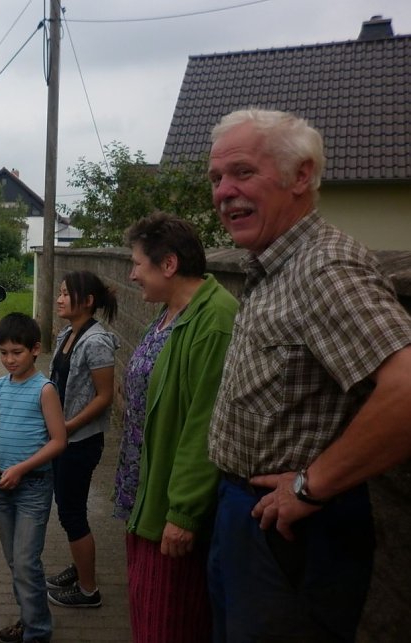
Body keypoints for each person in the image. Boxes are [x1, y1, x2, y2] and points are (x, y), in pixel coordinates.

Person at [206, 108, 411, 642]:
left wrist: (309, 486)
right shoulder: (274, 264)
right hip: (248, 518)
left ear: (301, 175)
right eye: (217, 178)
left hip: (293, 532)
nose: (224, 192)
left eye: (243, 172)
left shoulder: (324, 267)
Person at [112, 212, 237, 643]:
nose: (132, 275)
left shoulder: (214, 320)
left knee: (169, 625)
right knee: (148, 619)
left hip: (170, 509)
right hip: (145, 499)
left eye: (137, 264)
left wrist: (182, 513)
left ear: (168, 264)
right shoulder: (170, 312)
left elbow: (205, 426)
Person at [0, 312, 68, 643]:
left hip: (33, 486)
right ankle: (29, 618)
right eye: (3, 352)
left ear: (34, 349)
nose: (9, 360)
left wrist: (21, 469)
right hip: (1, 487)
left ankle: (37, 632)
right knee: (14, 561)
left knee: (25, 561)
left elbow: (59, 441)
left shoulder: (44, 389)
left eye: (16, 352)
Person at [45, 271, 119, 609]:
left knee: (71, 513)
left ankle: (88, 591)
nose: (59, 299)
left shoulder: (97, 341)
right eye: (59, 293)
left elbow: (105, 397)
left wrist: (69, 426)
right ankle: (80, 568)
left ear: (88, 301)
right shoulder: (68, 333)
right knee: (69, 508)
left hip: (81, 441)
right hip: (64, 437)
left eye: (66, 294)